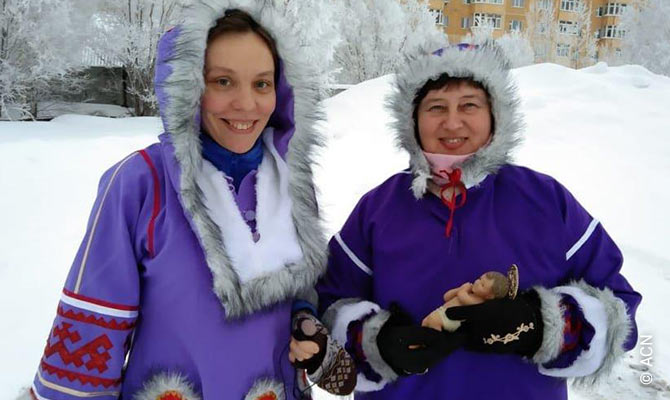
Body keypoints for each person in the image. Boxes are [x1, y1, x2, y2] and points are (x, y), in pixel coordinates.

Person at [22, 2, 350, 399]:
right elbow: (93, 326)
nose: (246, 104)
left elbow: (299, 295)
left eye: (262, 84)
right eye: (223, 81)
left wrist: (305, 323)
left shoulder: (291, 182)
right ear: (187, 86)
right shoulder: (141, 183)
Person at [314, 42, 642, 398]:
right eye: (436, 107)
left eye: (469, 105)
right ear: (412, 120)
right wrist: (376, 344)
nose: (452, 122)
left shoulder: (547, 201)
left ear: (495, 114)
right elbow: (326, 310)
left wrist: (541, 326)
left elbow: (619, 307)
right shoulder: (378, 209)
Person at [422, 266, 517, 332]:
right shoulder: (468, 292)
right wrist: (458, 289)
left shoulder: (479, 301)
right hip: (442, 312)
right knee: (426, 321)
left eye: (482, 285)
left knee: (434, 321)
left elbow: (463, 299)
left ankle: (434, 340)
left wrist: (463, 290)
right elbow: (446, 297)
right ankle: (422, 339)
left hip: (452, 320)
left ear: (489, 296)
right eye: (480, 279)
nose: (477, 282)